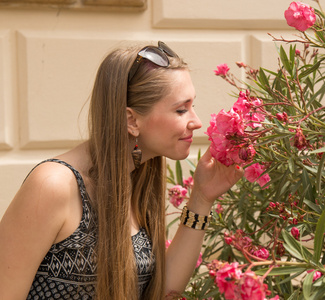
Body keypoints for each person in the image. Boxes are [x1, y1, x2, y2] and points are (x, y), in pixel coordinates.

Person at [0, 41, 243, 300]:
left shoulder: (137, 180)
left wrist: (201, 199)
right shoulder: (53, 185)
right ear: (131, 120)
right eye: (181, 109)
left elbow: (161, 293)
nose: (196, 121)